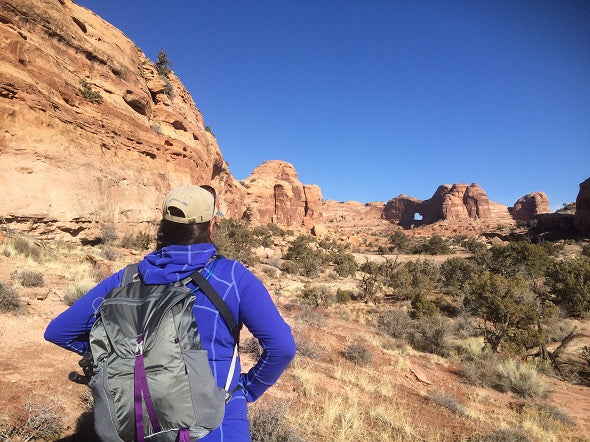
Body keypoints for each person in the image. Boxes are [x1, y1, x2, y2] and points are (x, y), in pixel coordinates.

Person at [45, 184, 296, 441]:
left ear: (164, 225)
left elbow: (59, 332)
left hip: (142, 424)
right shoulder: (233, 277)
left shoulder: (129, 277)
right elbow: (281, 347)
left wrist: (114, 356)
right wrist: (246, 390)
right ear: (211, 225)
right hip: (217, 423)